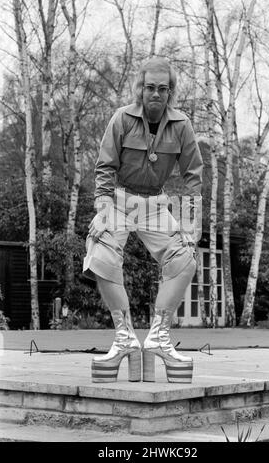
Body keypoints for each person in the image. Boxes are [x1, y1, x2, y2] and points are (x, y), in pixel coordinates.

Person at [83, 57, 203, 384]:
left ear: (170, 92)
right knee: (100, 253)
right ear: (140, 87)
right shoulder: (121, 118)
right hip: (120, 199)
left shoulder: (182, 125)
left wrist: (190, 223)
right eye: (150, 87)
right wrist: (103, 209)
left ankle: (158, 339)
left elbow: (193, 175)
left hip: (155, 202)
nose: (156, 94)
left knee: (184, 259)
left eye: (163, 89)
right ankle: (124, 338)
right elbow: (105, 167)